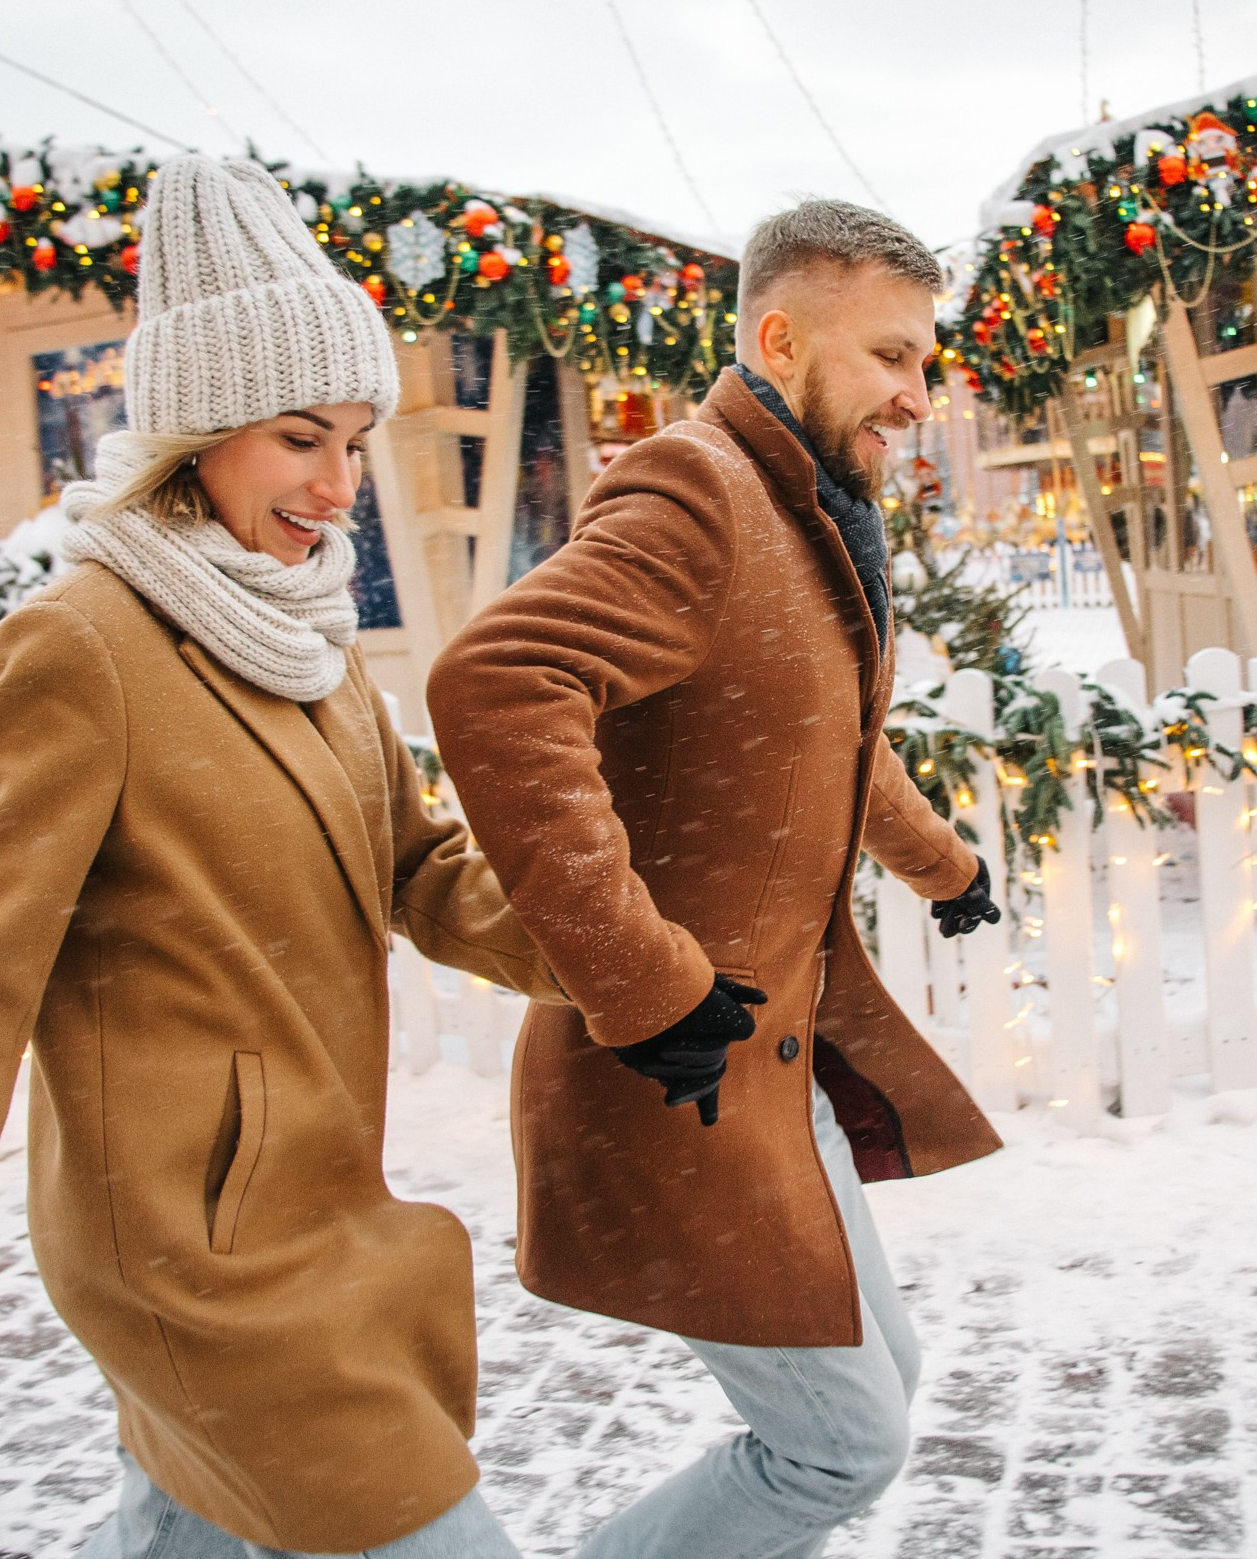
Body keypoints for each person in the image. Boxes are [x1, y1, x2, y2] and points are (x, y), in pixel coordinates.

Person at [0, 154, 558, 1559]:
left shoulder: (308, 640)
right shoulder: (83, 648)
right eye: (300, 439)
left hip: (322, 1217)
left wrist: (633, 943)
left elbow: (422, 871)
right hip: (198, 1263)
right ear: (197, 435)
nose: (339, 485)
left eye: (358, 442)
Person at [426, 198, 1007, 1558]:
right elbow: (499, 684)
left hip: (777, 1070)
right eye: (890, 358)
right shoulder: (699, 490)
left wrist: (947, 866)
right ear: (779, 334)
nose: (918, 396)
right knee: (839, 1448)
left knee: (882, 1394)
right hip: (679, 1068)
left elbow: (828, 740)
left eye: (925, 362)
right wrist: (638, 977)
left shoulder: (804, 512)